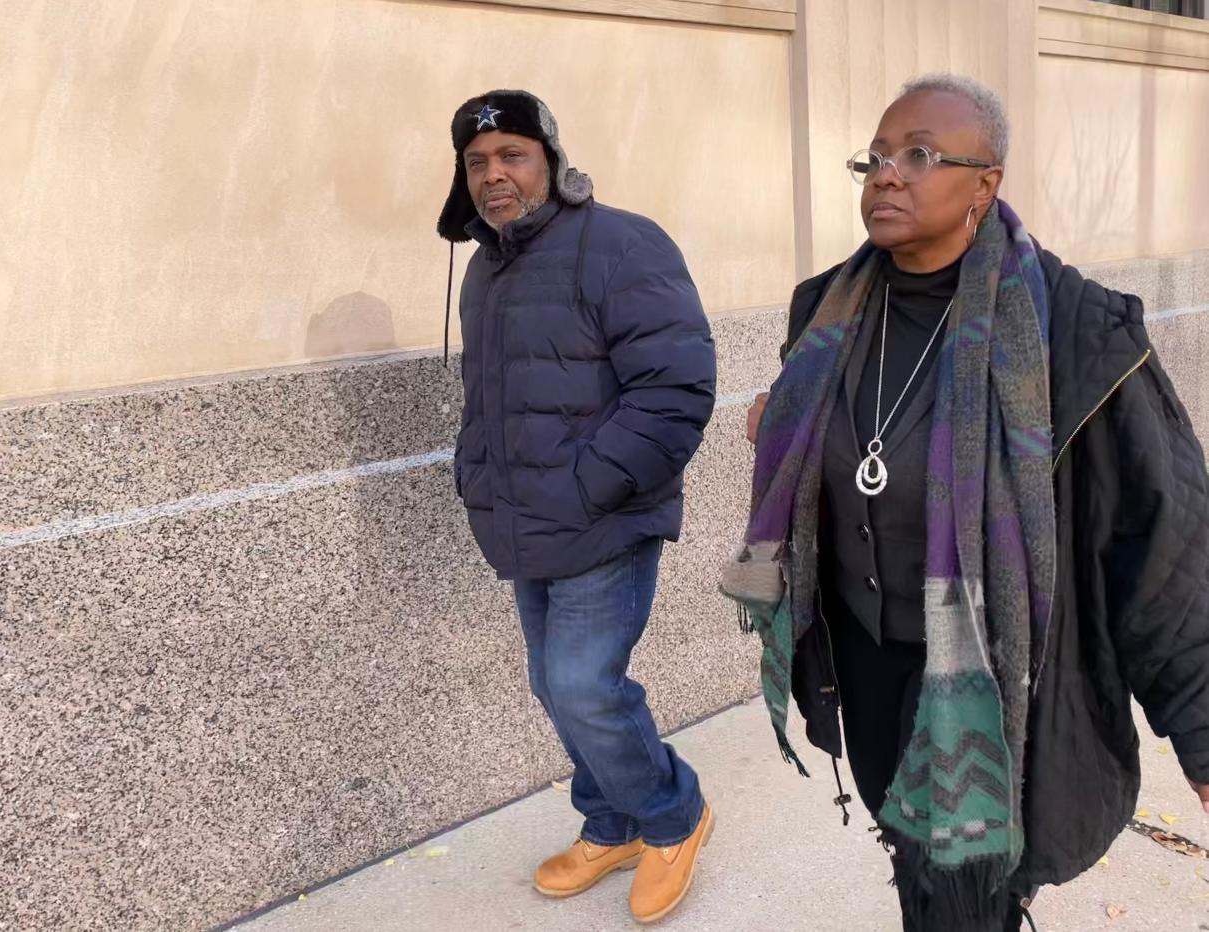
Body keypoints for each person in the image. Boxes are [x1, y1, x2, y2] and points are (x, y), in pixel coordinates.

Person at [723, 73, 1209, 931]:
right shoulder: (824, 311)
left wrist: (1203, 731)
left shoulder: (1075, 333)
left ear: (985, 184)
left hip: (997, 676)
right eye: (874, 157)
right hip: (863, 664)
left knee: (968, 889)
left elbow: (1162, 542)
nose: (887, 175)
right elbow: (817, 460)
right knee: (910, 844)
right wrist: (787, 427)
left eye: (918, 155)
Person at [437, 90, 717, 924]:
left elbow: (675, 386)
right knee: (554, 687)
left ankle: (673, 815)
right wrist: (476, 475)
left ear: (550, 160)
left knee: (583, 685)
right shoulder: (487, 270)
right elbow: (488, 396)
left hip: (604, 520)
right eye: (479, 162)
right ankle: (611, 821)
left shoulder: (620, 242)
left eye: (512, 155)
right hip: (522, 523)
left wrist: (588, 486)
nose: (495, 174)